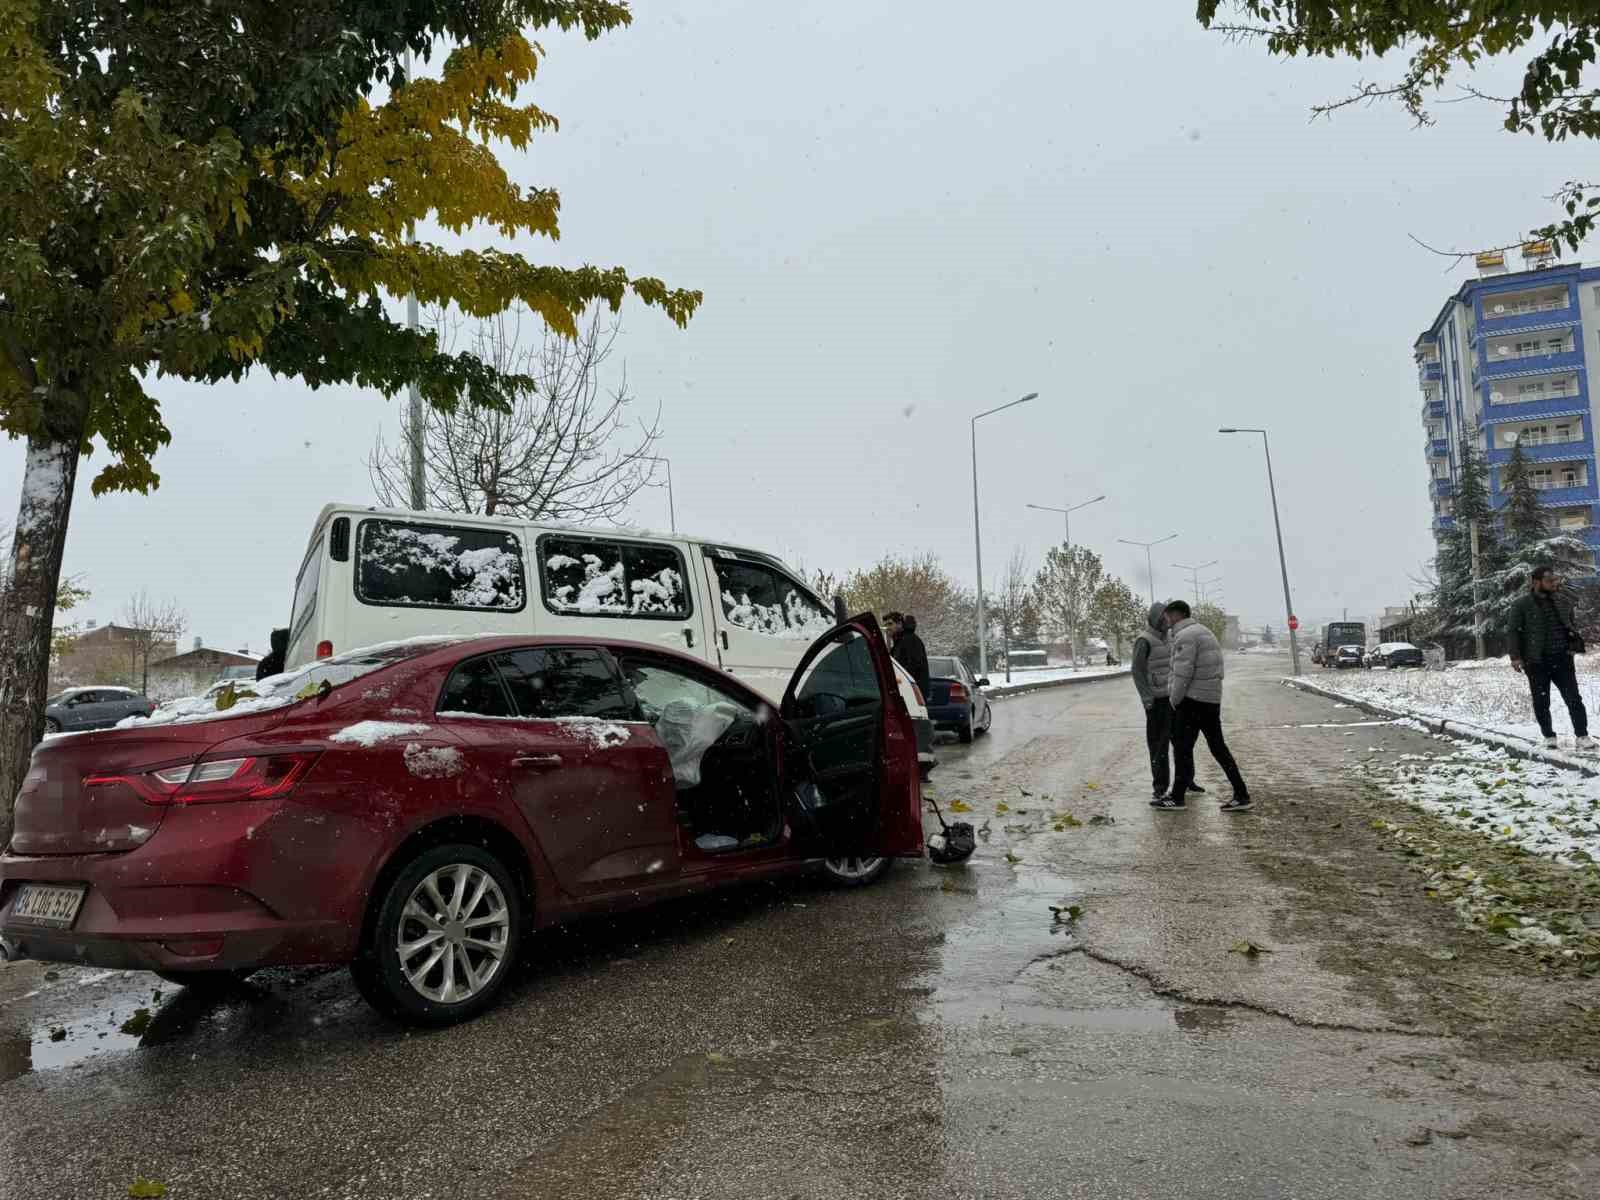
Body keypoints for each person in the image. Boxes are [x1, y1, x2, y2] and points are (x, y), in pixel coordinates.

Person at [1154, 600, 1250, 813]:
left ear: (1175, 616)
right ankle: (1241, 793)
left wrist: (1174, 700)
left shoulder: (1185, 636)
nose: (1165, 621)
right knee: (1217, 747)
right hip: (1210, 700)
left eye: (1167, 616)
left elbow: (1182, 673)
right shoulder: (1204, 631)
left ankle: (1177, 798)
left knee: (1181, 748)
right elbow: (1219, 669)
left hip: (1192, 702)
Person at [1507, 564, 1593, 751]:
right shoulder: (1522, 604)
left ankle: (1582, 736)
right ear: (1536, 582)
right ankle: (1549, 736)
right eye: (1549, 580)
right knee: (1541, 700)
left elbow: (1570, 625)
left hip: (1562, 659)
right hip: (1536, 660)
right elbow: (1513, 631)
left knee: (1573, 698)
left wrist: (1572, 646)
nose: (1554, 583)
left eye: (1555, 579)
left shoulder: (1562, 601)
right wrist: (1515, 656)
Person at [887, 611, 931, 698]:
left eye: (890, 624)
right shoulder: (899, 643)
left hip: (912, 695)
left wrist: (899, 681)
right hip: (907, 693)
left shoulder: (910, 641)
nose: (887, 627)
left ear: (899, 624)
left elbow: (914, 667)